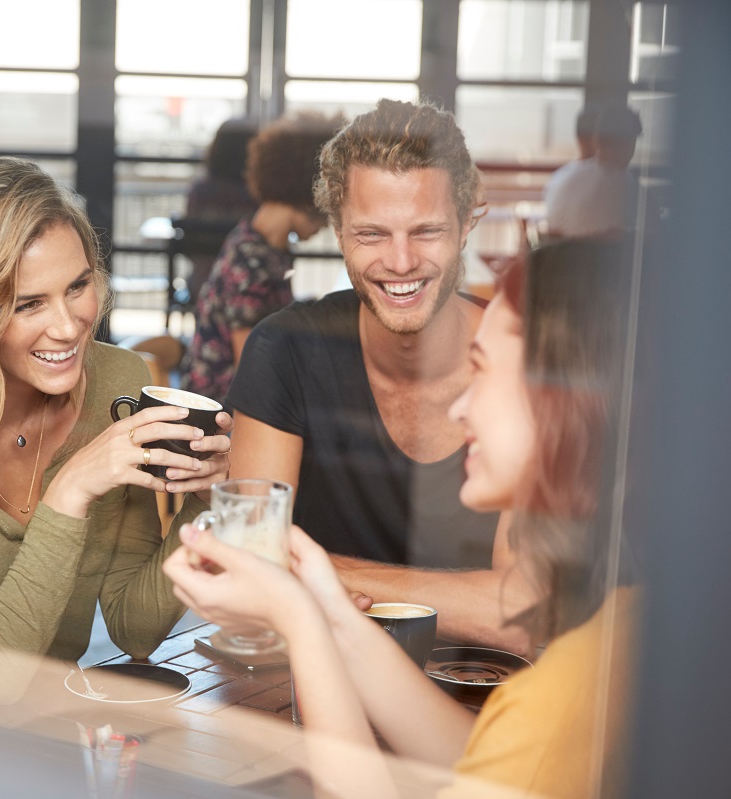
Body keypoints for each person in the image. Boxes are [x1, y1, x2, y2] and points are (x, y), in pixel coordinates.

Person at [166, 239, 639, 799]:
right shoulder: (621, 626)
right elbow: (475, 761)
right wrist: (322, 598)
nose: (461, 407)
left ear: (563, 404)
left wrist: (297, 617)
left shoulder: (562, 703)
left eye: (484, 371)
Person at [0, 157, 233, 696]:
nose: (69, 325)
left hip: (56, 731)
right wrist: (72, 490)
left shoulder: (118, 383)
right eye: (28, 303)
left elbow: (137, 628)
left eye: (78, 286)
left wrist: (205, 499)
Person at [225, 100, 529, 652]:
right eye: (371, 234)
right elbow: (250, 576)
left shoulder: (522, 359)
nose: (401, 261)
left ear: (466, 224)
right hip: (317, 683)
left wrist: (315, 574)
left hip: (483, 692)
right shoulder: (285, 351)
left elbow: (520, 617)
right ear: (337, 231)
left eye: (426, 230)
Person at [179, 113, 341, 402]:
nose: (328, 222)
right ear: (309, 195)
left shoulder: (256, 241)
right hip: (220, 413)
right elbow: (251, 370)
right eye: (327, 209)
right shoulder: (252, 260)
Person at [181, 117, 260, 299]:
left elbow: (189, 247)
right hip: (249, 286)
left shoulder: (199, 191)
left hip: (203, 284)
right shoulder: (256, 195)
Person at [544, 102, 643, 239]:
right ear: (629, 144)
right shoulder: (623, 183)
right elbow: (654, 231)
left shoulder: (559, 177)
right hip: (598, 259)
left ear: (596, 139)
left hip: (560, 259)